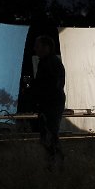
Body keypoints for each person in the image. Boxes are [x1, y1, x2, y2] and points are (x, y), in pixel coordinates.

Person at [28, 35, 65, 168]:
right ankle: (53, 162)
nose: (35, 49)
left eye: (38, 46)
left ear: (46, 47)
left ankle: (56, 163)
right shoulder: (47, 62)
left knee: (50, 133)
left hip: (51, 103)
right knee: (48, 133)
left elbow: (51, 85)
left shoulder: (50, 63)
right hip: (49, 103)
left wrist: (39, 96)